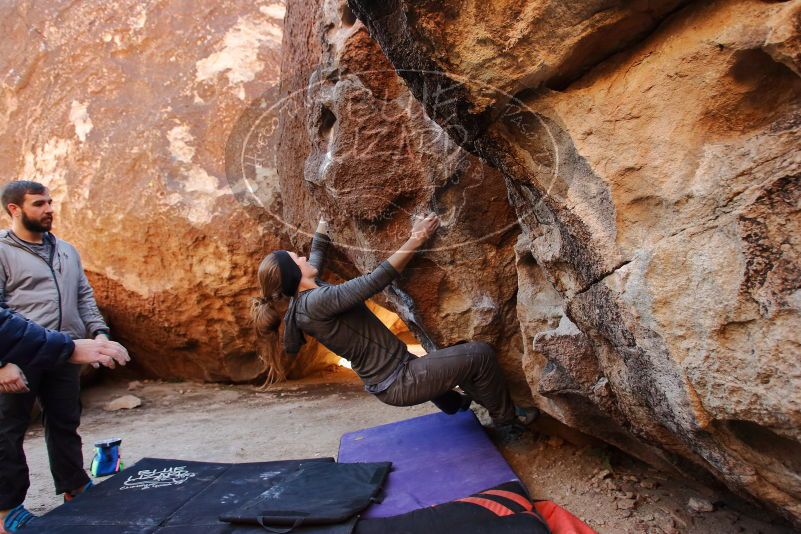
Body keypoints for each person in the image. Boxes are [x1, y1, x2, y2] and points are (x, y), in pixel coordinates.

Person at [252, 213, 537, 439]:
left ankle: (454, 402)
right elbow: (375, 280)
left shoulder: (305, 297)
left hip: (391, 379)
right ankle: (509, 424)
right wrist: (417, 237)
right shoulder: (318, 301)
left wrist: (323, 229)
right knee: (479, 355)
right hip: (401, 381)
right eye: (295, 258)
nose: (302, 257)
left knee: (456, 353)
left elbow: (314, 259)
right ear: (293, 274)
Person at [0, 180, 129, 533]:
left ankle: (74, 486)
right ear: (14, 209)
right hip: (17, 357)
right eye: (39, 204)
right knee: (7, 432)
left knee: (64, 422)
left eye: (50, 202)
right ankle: (6, 510)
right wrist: (2, 363)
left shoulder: (66, 250)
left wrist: (99, 333)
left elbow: (84, 296)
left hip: (63, 354)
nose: (48, 209)